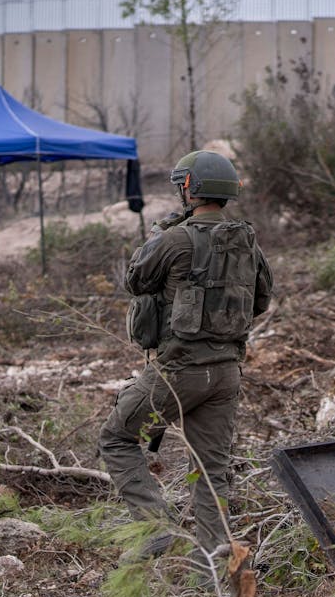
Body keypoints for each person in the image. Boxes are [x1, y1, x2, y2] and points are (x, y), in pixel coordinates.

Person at [98, 150, 272, 569]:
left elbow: (135, 280)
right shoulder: (248, 240)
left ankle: (157, 528)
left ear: (190, 188)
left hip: (177, 374)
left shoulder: (175, 239)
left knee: (117, 437)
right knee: (212, 472)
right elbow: (261, 300)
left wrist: (164, 233)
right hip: (226, 375)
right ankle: (209, 569)